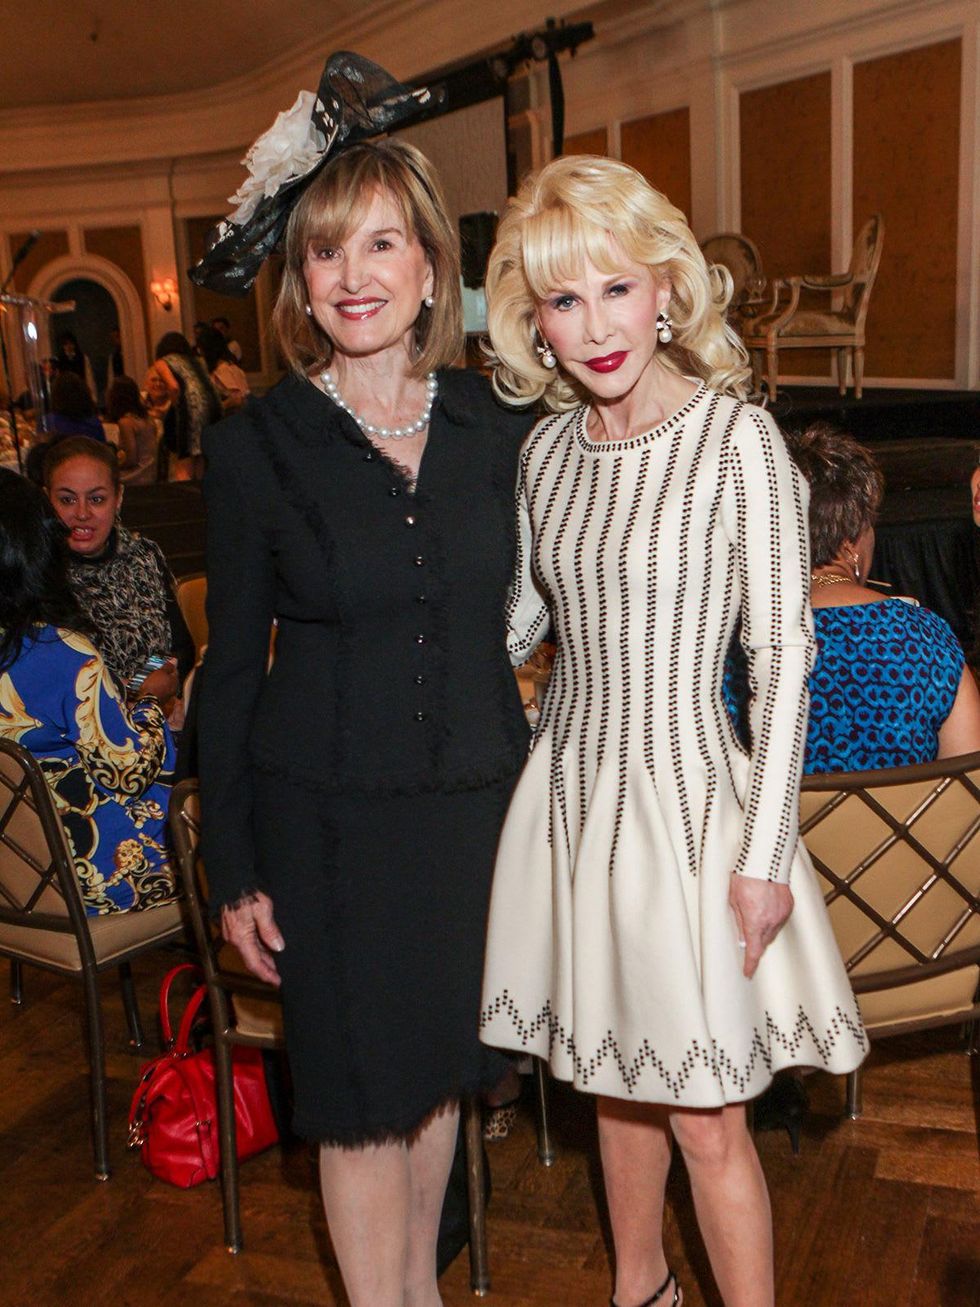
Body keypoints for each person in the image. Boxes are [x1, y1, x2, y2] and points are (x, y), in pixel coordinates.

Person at [478, 155, 868, 1307]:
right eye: (561, 300)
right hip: (570, 799)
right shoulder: (543, 454)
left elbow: (781, 658)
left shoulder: (733, 440)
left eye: (613, 288)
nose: (593, 326)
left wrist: (760, 857)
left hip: (688, 803)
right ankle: (637, 1288)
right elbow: (515, 624)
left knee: (703, 1117)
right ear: (532, 323)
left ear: (664, 289)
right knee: (612, 1083)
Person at [190, 53, 533, 1307]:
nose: (351, 277)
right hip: (324, 821)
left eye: (380, 247)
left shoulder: (496, 424)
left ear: (431, 270)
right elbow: (227, 676)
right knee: (352, 1102)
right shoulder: (255, 448)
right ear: (301, 278)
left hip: (470, 812)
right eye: (327, 253)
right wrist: (234, 869)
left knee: (437, 1073)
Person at [0, 468, 177, 914]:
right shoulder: (56, 650)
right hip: (90, 875)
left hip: (15, 880)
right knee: (246, 823)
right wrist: (151, 703)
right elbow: (129, 770)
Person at [787, 423, 980, 769]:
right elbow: (967, 782)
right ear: (852, 541)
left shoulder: (731, 638)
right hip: (906, 823)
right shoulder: (925, 639)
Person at [42, 438, 194, 705]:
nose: (82, 513)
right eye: (67, 500)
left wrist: (142, 683)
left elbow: (176, 648)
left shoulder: (143, 557)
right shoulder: (37, 575)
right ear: (46, 500)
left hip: (154, 722)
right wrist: (137, 694)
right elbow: (51, 685)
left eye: (96, 499)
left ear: (119, 498)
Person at [145, 332, 222, 480]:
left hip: (192, 410)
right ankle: (201, 497)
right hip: (213, 409)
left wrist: (174, 408)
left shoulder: (162, 362)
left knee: (184, 462)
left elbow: (173, 387)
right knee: (199, 458)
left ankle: (184, 498)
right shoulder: (197, 361)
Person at [106, 375, 159, 484]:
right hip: (151, 473)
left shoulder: (126, 422)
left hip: (136, 476)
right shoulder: (148, 419)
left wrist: (113, 465)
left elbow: (131, 458)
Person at [197, 325, 250, 414]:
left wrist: (217, 409)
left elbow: (238, 399)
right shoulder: (231, 366)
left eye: (201, 349)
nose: (199, 352)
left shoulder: (223, 370)